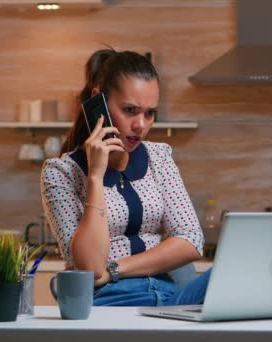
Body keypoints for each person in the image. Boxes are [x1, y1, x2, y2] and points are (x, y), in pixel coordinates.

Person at [40, 49, 211, 306]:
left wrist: (115, 270)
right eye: (130, 110)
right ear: (99, 103)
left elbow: (191, 240)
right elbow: (90, 267)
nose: (141, 125)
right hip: (112, 299)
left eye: (149, 113)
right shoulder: (60, 173)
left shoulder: (159, 157)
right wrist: (96, 177)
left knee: (241, 265)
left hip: (171, 297)